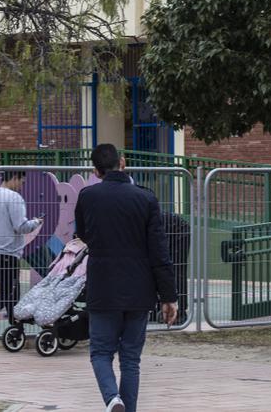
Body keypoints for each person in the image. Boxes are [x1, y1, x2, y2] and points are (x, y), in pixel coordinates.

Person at [75, 144, 178, 412]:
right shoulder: (145, 199)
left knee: (100, 352)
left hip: (103, 287)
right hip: (139, 289)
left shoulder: (87, 197)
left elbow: (83, 233)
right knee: (131, 359)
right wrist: (169, 297)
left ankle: (112, 399)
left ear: (95, 171)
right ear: (123, 162)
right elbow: (159, 251)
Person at [0, 173, 42, 321]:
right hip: (8, 251)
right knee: (8, 292)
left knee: (11, 291)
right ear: (14, 178)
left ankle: (16, 325)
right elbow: (21, 226)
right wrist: (36, 222)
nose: (21, 187)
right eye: (21, 182)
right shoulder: (14, 198)